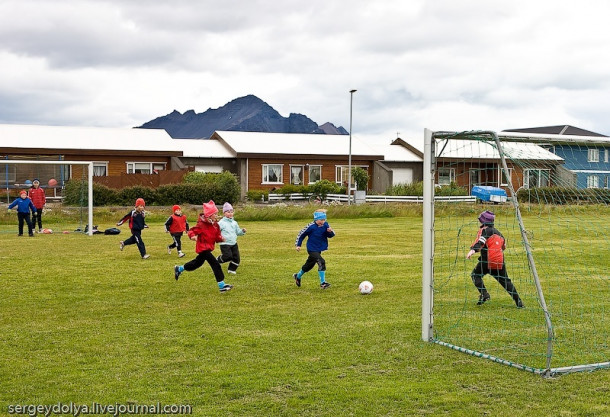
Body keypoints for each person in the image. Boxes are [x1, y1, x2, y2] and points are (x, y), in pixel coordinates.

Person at [466, 210, 524, 308]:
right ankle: (519, 303)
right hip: (499, 262)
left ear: (483, 222)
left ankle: (484, 294)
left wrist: (473, 250)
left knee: (475, 275)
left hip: (487, 261)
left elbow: (481, 241)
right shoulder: (499, 233)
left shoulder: (485, 231)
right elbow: (504, 246)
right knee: (506, 282)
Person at [173, 200, 233, 293]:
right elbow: (192, 231)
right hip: (203, 249)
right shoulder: (202, 225)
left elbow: (216, 236)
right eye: (215, 213)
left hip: (208, 248)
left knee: (197, 263)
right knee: (215, 264)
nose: (217, 215)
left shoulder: (215, 225)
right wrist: (192, 236)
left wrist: (221, 238)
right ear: (209, 215)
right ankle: (221, 286)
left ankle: (179, 268)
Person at [293, 209, 335, 289]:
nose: (322, 222)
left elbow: (330, 235)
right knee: (321, 261)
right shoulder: (311, 226)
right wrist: (298, 245)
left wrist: (330, 231)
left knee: (309, 265)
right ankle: (323, 283)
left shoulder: (325, 225)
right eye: (321, 220)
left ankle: (297, 276)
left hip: (318, 249)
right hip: (311, 249)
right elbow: (301, 234)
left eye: (324, 220)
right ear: (316, 219)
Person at [217, 202, 246, 275]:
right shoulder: (221, 223)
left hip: (233, 243)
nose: (230, 213)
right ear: (224, 213)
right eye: (228, 212)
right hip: (225, 243)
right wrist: (219, 238)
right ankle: (217, 260)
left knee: (236, 258)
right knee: (228, 256)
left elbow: (238, 232)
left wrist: (242, 231)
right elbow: (216, 232)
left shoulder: (234, 223)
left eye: (231, 212)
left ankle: (231, 269)